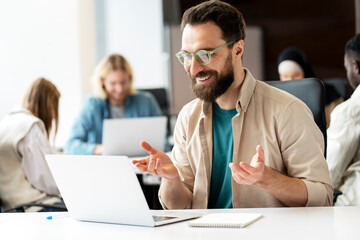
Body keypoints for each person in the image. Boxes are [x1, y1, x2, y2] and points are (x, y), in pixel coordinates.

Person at [133, 0, 333, 209]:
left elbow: (322, 197)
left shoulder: (287, 111)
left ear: (237, 50)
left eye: (205, 55)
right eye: (186, 56)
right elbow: (179, 207)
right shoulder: (187, 117)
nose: (193, 68)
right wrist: (172, 179)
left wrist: (267, 179)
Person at [64, 54, 162, 155]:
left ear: (129, 79)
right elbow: (71, 145)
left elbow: (163, 140)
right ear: (103, 81)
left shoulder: (146, 101)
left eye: (123, 82)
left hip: (142, 164)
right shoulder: (92, 104)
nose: (119, 89)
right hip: (105, 165)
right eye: (113, 83)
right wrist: (100, 149)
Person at [0, 78, 63, 212]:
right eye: (54, 108)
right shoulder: (31, 126)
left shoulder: (6, 122)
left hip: (9, 205)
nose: (53, 116)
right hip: (33, 205)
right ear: (48, 105)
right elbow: (46, 181)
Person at [327, 34, 360, 206]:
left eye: (346, 68)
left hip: (352, 208)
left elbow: (328, 177)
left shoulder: (349, 111)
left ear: (356, 67)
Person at [277, 47, 343, 128]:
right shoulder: (277, 99)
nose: (290, 80)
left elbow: (335, 127)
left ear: (305, 73)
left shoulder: (328, 95)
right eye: (285, 76)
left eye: (295, 75)